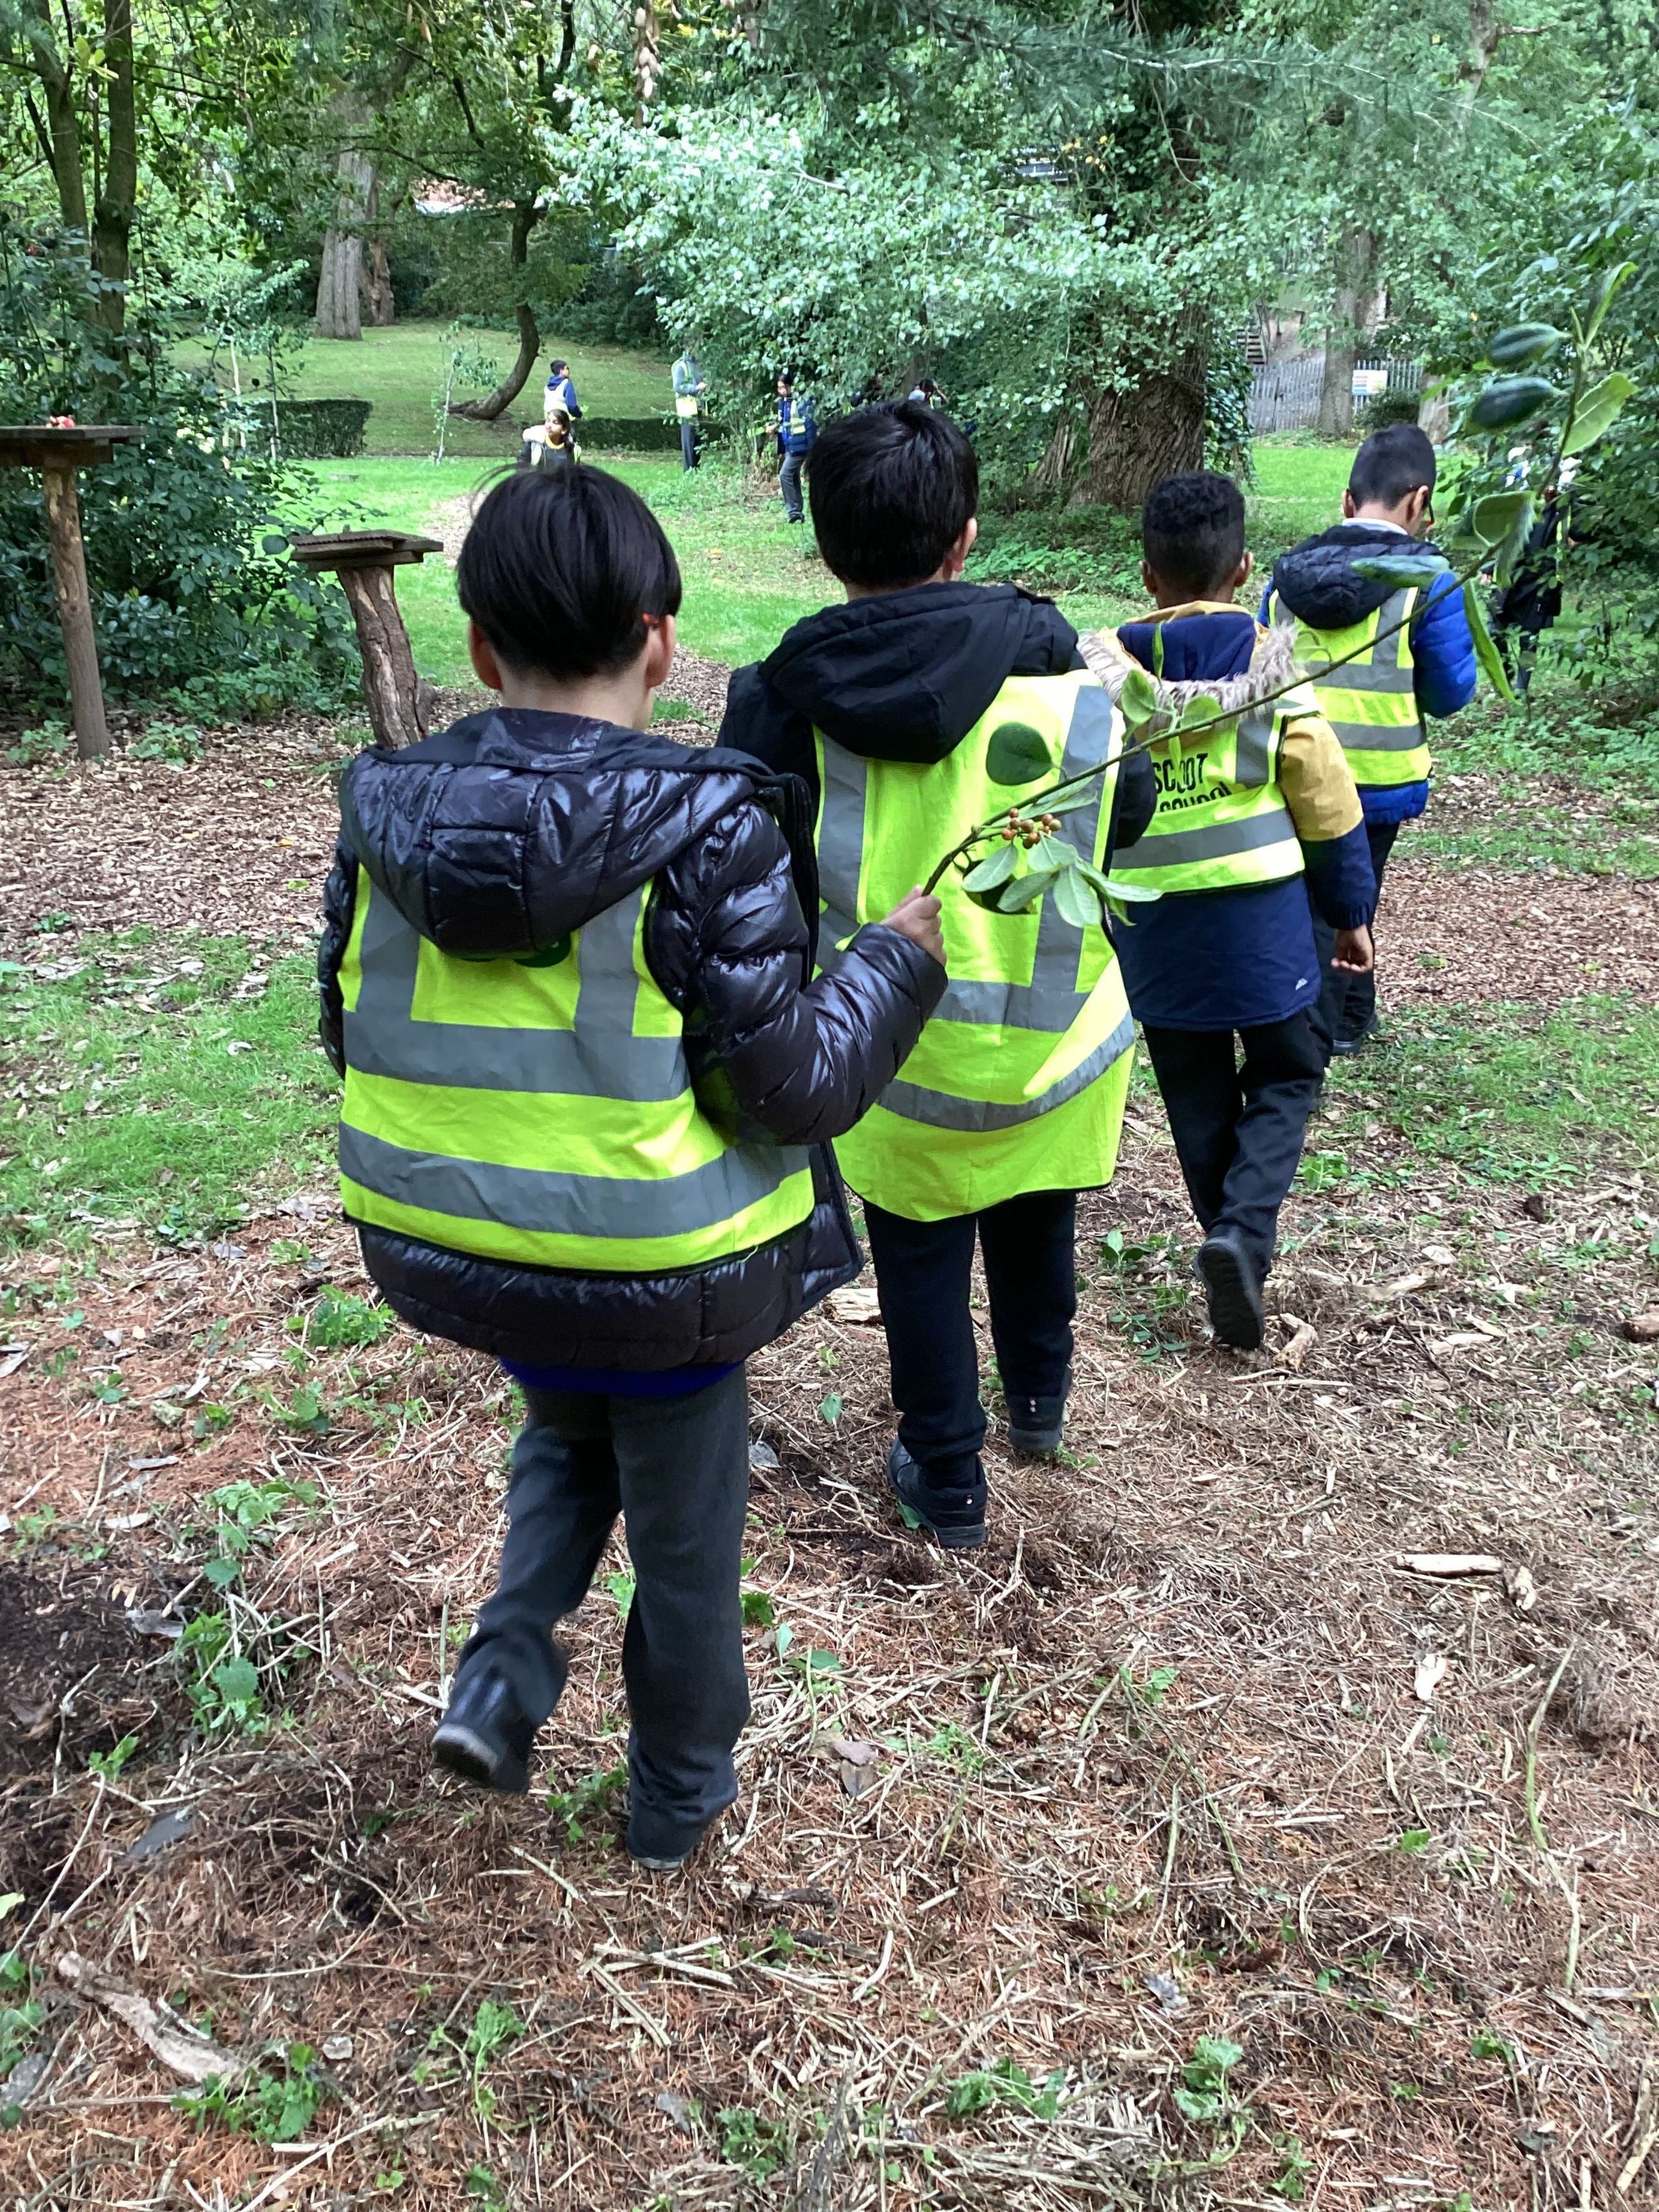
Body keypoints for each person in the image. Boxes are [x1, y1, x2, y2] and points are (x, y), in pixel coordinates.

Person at [318, 465, 945, 1866]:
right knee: (685, 1542)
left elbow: (347, 1028)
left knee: (563, 1431)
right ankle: (676, 1792)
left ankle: (500, 1673)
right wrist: (893, 966)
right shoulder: (710, 824)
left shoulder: (382, 811)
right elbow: (788, 1085)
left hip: (473, 1250)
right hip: (669, 1274)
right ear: (660, 642)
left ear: (481, 649)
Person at [721, 401, 1156, 1548]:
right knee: (1037, 1222)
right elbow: (1129, 816)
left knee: (919, 1261)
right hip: (1057, 1052)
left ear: (825, 541)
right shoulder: (1072, 687)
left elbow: (749, 873)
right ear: (965, 538)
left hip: (892, 1061)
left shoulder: (779, 703)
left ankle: (948, 1478)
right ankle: (1041, 1405)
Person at [1081, 472, 1375, 1352]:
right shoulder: (1272, 667)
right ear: (1244, 569)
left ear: (1147, 577)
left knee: (1195, 1096)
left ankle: (1228, 1241)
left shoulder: (1104, 681)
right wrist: (1351, 911)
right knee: (1289, 1070)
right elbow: (1326, 800)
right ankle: (1243, 1236)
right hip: (1264, 931)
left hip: (1156, 936)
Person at [1264, 423, 1475, 1056]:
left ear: (1347, 501)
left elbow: (1258, 671)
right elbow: (1450, 692)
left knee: (1322, 897)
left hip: (1296, 773)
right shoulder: (1429, 582)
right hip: (1381, 781)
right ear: (1420, 501)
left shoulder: (1287, 577)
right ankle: (1329, 1030)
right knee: (1351, 898)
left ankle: (1351, 1013)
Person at [774, 373, 816, 524]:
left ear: (790, 386)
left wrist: (811, 448)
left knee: (784, 475)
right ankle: (797, 511)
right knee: (792, 476)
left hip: (800, 446)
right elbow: (784, 424)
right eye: (779, 388)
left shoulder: (801, 402)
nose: (781, 391)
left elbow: (810, 425)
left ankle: (793, 511)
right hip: (789, 446)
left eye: (783, 387)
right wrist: (774, 428)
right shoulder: (783, 403)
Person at [519, 401, 578, 475]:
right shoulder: (534, 444)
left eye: (555, 422)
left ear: (564, 430)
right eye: (548, 421)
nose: (549, 425)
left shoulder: (571, 449)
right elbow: (522, 468)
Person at [671, 347, 706, 471]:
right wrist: (696, 388)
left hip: (698, 408)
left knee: (698, 442)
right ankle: (689, 471)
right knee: (689, 443)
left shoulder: (697, 366)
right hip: (687, 410)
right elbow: (678, 387)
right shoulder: (681, 366)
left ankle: (696, 470)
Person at [545, 357, 581, 421]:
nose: (569, 371)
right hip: (562, 418)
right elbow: (572, 406)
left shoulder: (547, 386)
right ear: (561, 371)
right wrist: (579, 414)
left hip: (548, 418)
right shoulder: (566, 384)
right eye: (567, 368)